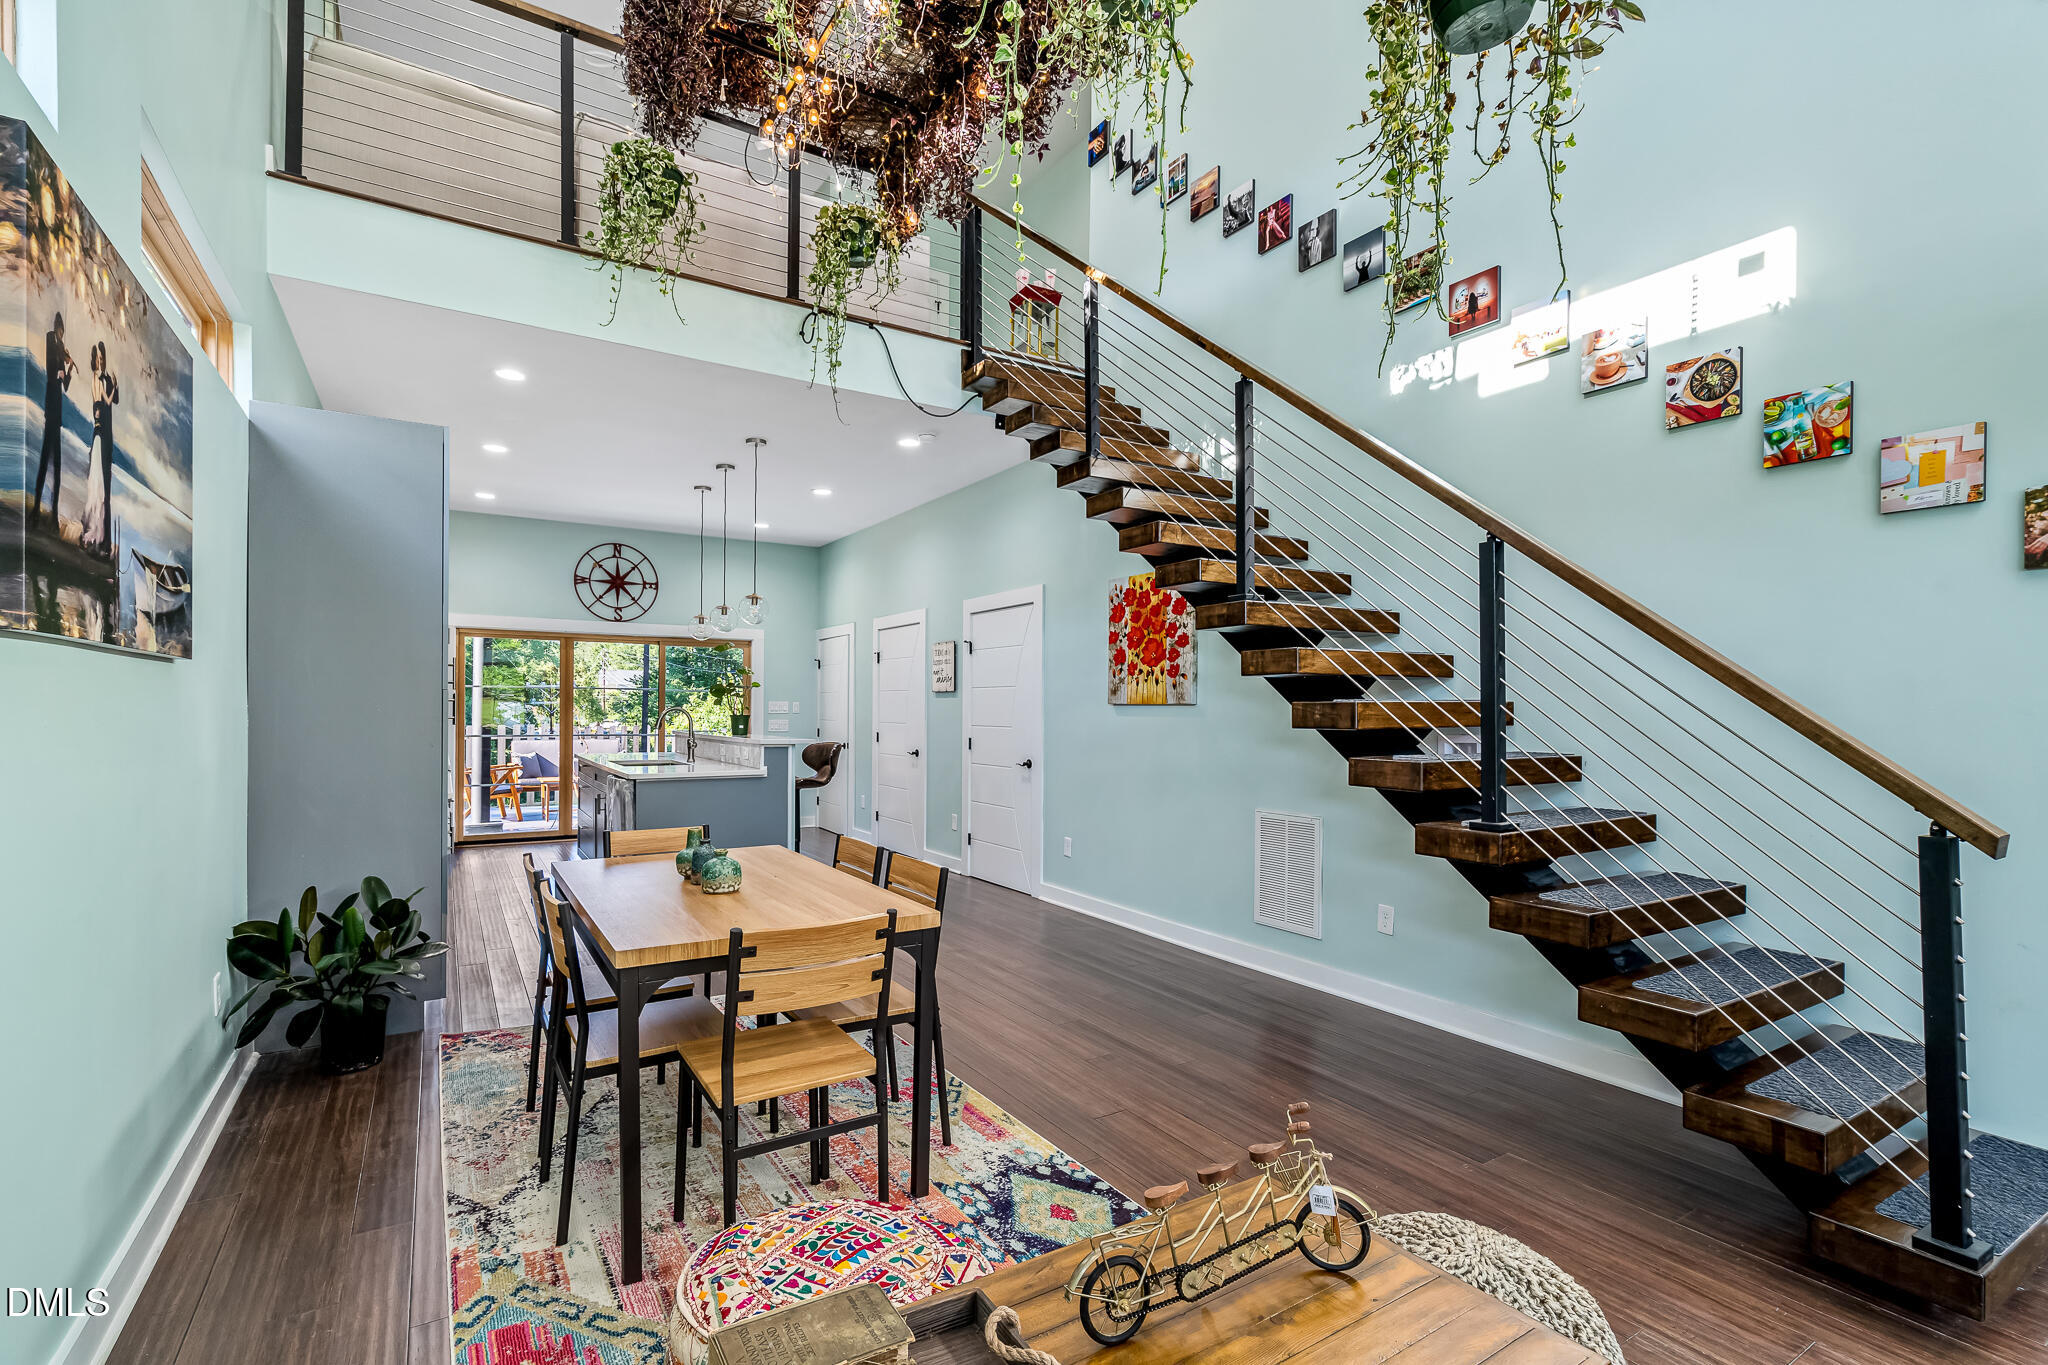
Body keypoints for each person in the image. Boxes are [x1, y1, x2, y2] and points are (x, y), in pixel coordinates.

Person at [29, 311, 75, 529]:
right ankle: (36, 509)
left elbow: (64, 385)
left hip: (57, 418)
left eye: (62, 331)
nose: (60, 333)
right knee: (44, 462)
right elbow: (51, 371)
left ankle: (54, 515)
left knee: (56, 467)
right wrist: (61, 359)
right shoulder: (51, 340)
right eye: (60, 329)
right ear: (57, 327)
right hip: (51, 414)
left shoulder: (59, 349)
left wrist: (69, 370)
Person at [80, 342, 117, 557]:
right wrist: (115, 384)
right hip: (100, 435)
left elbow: (109, 401)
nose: (100, 361)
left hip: (101, 434)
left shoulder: (102, 379)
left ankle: (101, 539)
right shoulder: (98, 378)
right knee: (99, 487)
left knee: (100, 488)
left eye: (102, 358)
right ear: (95, 360)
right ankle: (98, 537)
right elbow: (107, 400)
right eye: (98, 358)